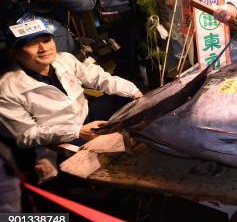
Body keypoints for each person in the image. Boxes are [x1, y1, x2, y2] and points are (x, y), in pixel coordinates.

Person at [0, 19, 142, 149]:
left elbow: (99, 78)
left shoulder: (64, 59)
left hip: (87, 113)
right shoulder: (6, 89)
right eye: (31, 44)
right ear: (14, 52)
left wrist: (134, 92)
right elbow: (26, 135)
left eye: (47, 40)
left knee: (130, 99)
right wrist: (77, 131)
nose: (44, 48)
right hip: (61, 136)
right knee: (102, 153)